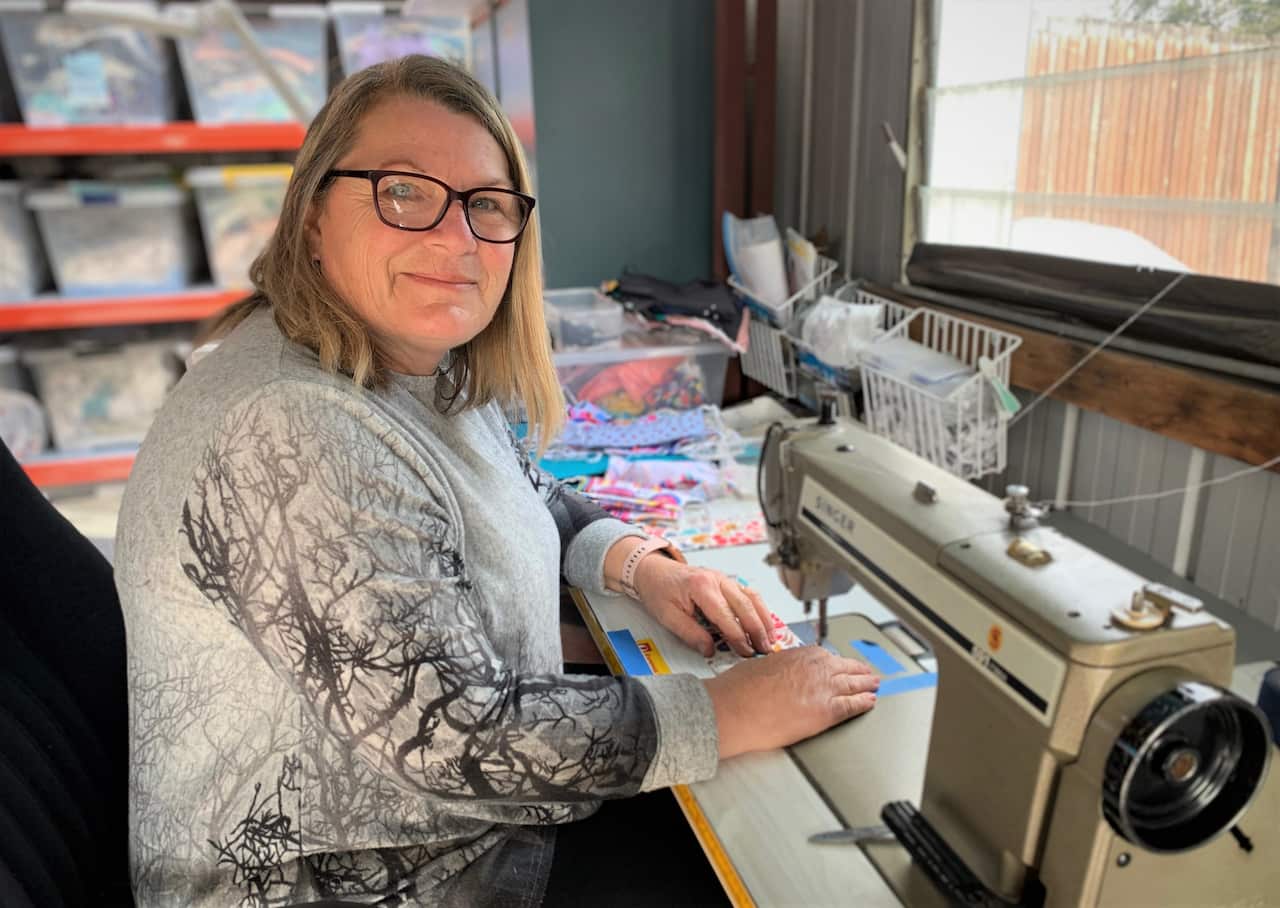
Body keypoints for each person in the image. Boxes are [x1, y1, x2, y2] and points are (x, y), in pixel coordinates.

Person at [115, 55, 879, 908]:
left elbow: (526, 490)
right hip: (362, 879)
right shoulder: (293, 423)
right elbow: (455, 739)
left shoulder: (408, 364)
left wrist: (644, 567)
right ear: (313, 215)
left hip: (441, 826)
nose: (456, 238)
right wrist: (728, 714)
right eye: (403, 191)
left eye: (486, 204)